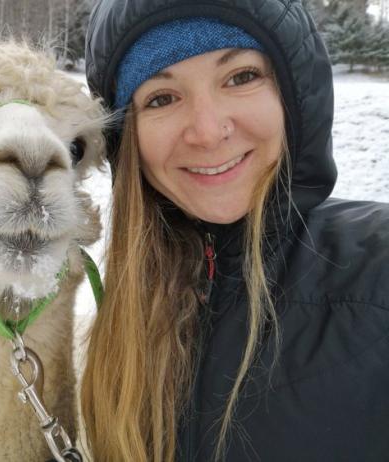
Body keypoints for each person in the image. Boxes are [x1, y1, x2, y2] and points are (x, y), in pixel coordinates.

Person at [81, 1, 389, 461]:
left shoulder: (378, 274)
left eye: (241, 77)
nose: (206, 132)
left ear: (293, 91)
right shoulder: (125, 319)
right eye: (162, 98)